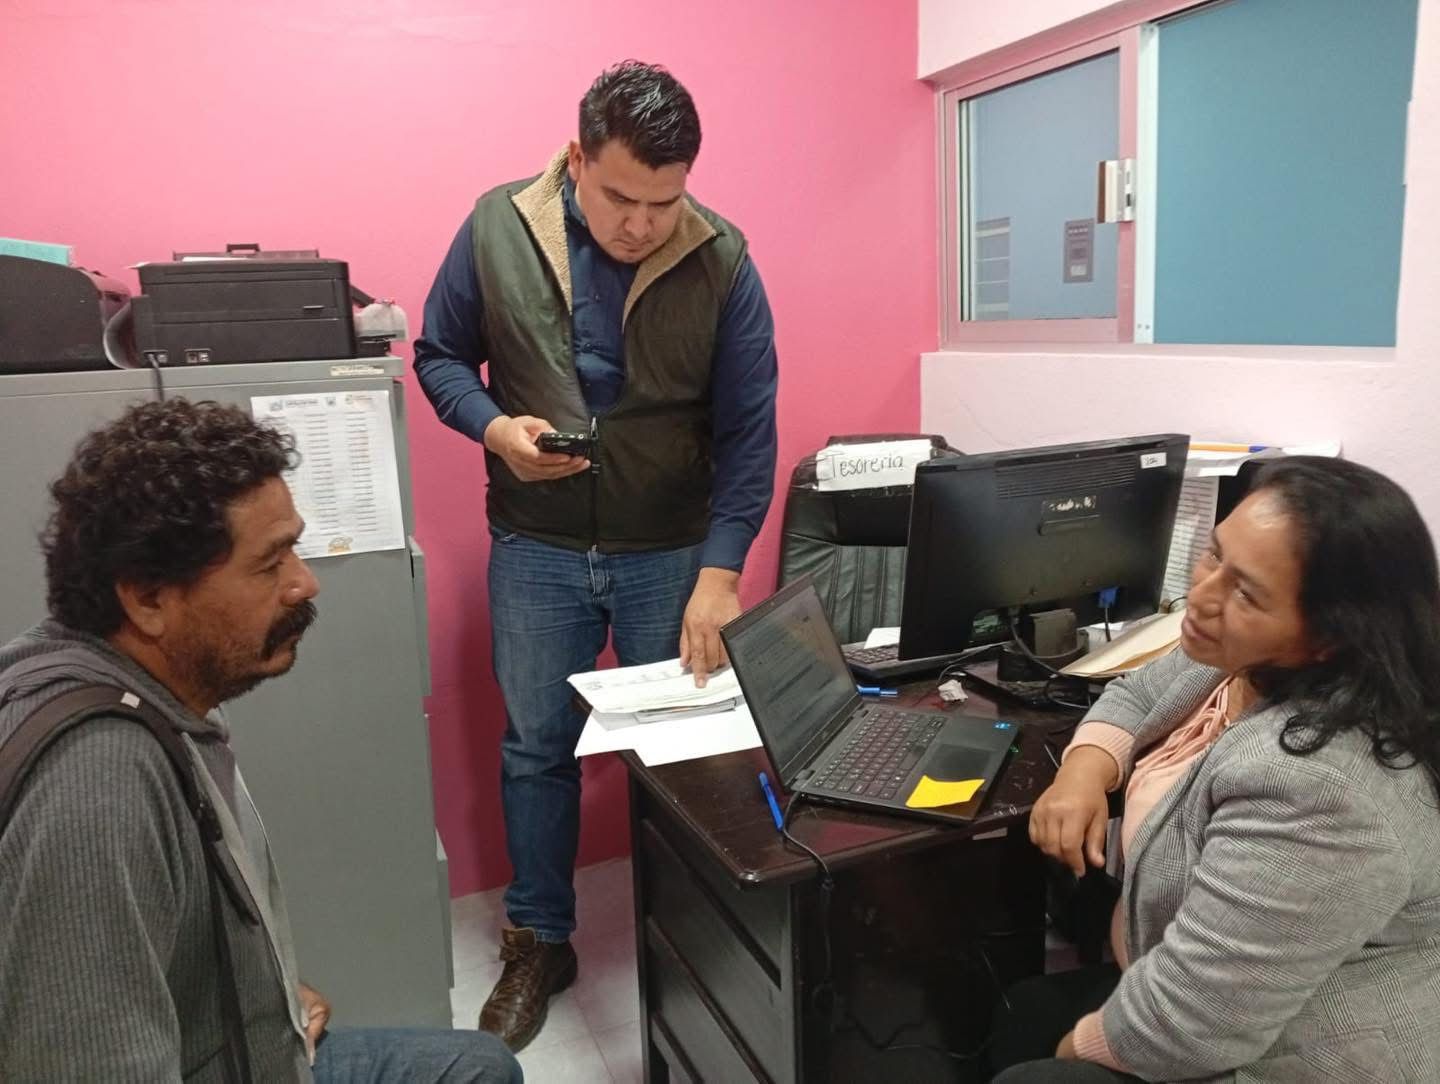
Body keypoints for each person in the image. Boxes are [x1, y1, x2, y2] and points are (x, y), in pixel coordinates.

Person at [413, 60, 778, 1049]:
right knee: (538, 749)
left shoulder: (724, 258)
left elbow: (749, 433)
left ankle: (697, 935)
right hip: (536, 546)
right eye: (622, 199)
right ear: (578, 159)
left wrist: (721, 574)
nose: (643, 225)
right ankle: (540, 940)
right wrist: (495, 430)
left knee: (685, 752)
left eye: (666, 201)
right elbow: (438, 356)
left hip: (673, 551)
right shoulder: (496, 227)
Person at [0, 399, 521, 1083]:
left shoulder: (122, 680)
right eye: (270, 563)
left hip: (250, 1043)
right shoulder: (95, 786)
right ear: (148, 599)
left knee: (479, 1065)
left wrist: (262, 993)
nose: (303, 582)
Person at [992, 457, 1440, 1083]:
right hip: (1184, 981)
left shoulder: (1321, 791)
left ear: (1327, 638)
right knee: (1020, 1010)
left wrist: (1069, 1051)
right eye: (1214, 555)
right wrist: (1084, 772)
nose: (1200, 598)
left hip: (1292, 1054)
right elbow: (1140, 692)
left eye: (1246, 593)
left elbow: (1193, 1024)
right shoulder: (1243, 657)